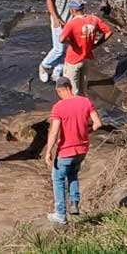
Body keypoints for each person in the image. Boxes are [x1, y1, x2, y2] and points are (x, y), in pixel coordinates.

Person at [44, 76, 103, 224]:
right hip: (82, 148)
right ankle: (75, 203)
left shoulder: (59, 107)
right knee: (73, 174)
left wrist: (48, 151)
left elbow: (54, 131)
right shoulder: (85, 102)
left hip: (66, 150)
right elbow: (97, 124)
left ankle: (60, 214)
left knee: (57, 179)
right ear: (70, 87)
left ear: (59, 90)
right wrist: (85, 132)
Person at [39, 0, 89, 83]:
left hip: (70, 21)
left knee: (68, 49)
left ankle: (57, 72)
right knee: (59, 49)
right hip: (59, 20)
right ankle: (45, 66)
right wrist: (56, 18)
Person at [60, 0, 113, 96]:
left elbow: (62, 39)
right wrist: (96, 44)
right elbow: (109, 32)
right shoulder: (93, 19)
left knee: (72, 89)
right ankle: (84, 107)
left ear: (73, 10)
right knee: (83, 87)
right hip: (86, 57)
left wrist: (72, 43)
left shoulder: (72, 23)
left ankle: (76, 109)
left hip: (73, 59)